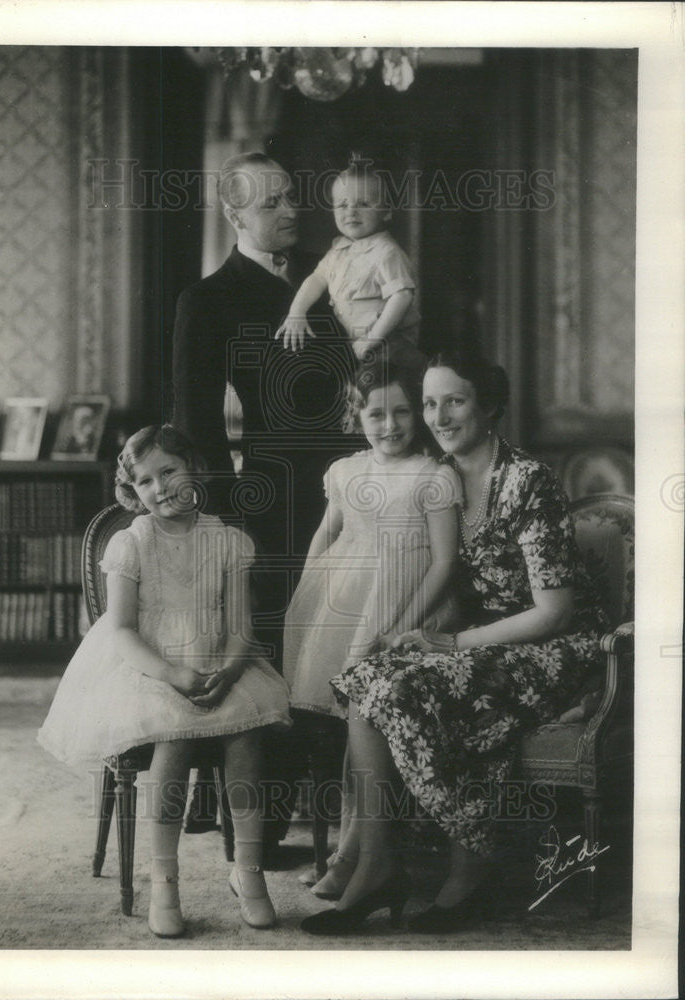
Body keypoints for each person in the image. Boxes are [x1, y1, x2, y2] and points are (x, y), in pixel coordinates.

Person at [300, 350, 609, 936]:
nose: (439, 415)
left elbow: (553, 612)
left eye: (456, 400)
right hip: (481, 642)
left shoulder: (527, 481)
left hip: (555, 646)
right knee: (364, 677)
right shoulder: (431, 472)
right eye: (431, 402)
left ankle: (471, 867)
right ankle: (377, 863)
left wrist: (451, 643)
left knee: (398, 684)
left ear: (489, 407)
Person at [37, 425, 291, 937]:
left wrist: (232, 668)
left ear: (193, 469)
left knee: (246, 738)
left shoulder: (227, 540)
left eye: (168, 471)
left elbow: (242, 627)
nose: (159, 488)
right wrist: (171, 673)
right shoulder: (132, 544)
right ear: (134, 489)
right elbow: (122, 632)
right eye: (145, 480)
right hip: (149, 667)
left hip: (219, 661)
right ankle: (165, 880)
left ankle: (248, 870)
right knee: (173, 737)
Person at [171, 151, 353, 857]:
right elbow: (195, 424)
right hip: (266, 500)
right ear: (234, 214)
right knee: (269, 649)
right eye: (271, 202)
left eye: (289, 198)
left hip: (343, 481)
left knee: (342, 637)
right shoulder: (209, 298)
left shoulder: (330, 274)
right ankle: (258, 825)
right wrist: (220, 518)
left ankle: (349, 809)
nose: (289, 210)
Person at [283, 361, 461, 719]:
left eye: (402, 412)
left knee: (380, 701)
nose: (391, 425)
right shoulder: (345, 471)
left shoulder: (433, 476)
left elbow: (445, 560)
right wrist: (307, 588)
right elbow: (328, 530)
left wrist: (401, 627)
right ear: (356, 416)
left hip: (410, 599)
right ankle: (335, 769)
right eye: (377, 415)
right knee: (330, 697)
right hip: (345, 596)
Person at [276, 160, 426, 378]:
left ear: (386, 211)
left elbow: (401, 296)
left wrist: (372, 339)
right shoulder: (339, 250)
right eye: (342, 205)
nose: (351, 212)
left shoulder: (387, 252)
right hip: (356, 343)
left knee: (390, 389)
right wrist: (297, 312)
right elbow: (317, 279)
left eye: (364, 204)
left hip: (388, 342)